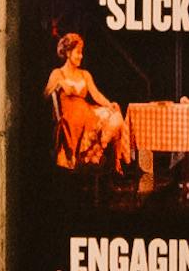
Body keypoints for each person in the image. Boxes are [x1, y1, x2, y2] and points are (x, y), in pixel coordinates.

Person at [44, 30, 128, 174]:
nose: (81, 56)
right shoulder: (58, 73)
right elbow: (46, 94)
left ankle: (98, 149)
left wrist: (109, 104)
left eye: (81, 52)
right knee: (104, 118)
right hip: (70, 119)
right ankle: (89, 154)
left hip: (87, 113)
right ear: (69, 53)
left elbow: (96, 95)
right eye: (78, 52)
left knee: (116, 116)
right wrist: (59, 85)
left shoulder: (85, 74)